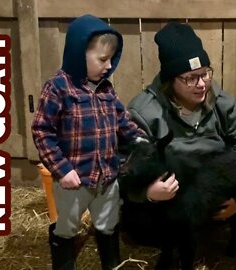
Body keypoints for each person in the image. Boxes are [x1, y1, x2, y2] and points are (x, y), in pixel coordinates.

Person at [127, 21, 236, 255]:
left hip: (216, 194)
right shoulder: (144, 112)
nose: (201, 84)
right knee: (141, 229)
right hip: (172, 199)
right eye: (191, 78)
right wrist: (147, 193)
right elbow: (127, 164)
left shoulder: (222, 103)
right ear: (171, 79)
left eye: (205, 74)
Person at [31, 14, 152, 270]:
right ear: (78, 53)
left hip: (107, 175)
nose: (108, 66)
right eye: (102, 59)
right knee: (68, 226)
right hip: (74, 179)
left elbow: (122, 121)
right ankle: (63, 262)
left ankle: (112, 264)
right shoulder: (58, 88)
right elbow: (42, 131)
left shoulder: (107, 90)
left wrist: (140, 138)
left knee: (108, 223)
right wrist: (62, 170)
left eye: (111, 59)